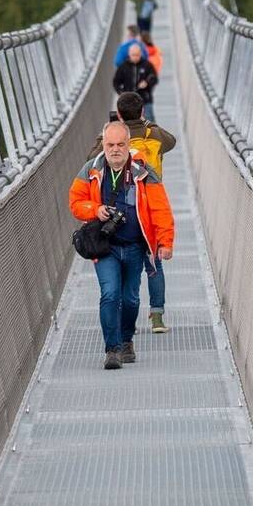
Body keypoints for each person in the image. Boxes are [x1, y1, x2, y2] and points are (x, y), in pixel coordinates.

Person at [70, 120, 174, 369]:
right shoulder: (91, 170)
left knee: (131, 299)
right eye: (110, 144)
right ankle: (112, 349)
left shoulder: (145, 172)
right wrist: (95, 209)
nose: (115, 149)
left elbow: (160, 209)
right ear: (103, 145)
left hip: (136, 246)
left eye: (120, 144)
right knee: (110, 294)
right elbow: (75, 203)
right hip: (106, 247)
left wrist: (165, 241)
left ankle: (127, 340)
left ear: (129, 144)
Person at [88, 92, 176, 334]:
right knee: (154, 264)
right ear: (142, 112)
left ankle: (126, 322)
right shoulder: (154, 135)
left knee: (125, 269)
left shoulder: (114, 141)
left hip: (122, 211)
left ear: (118, 114)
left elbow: (91, 160)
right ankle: (157, 316)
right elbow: (173, 141)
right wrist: (149, 124)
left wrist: (106, 135)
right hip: (151, 206)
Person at [113, 44, 158, 121]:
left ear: (140, 54)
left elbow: (154, 78)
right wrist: (122, 93)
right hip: (128, 103)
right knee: (130, 123)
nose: (135, 57)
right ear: (129, 54)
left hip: (145, 100)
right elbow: (116, 82)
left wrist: (147, 83)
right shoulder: (123, 67)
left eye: (137, 55)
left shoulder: (147, 65)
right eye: (133, 55)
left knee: (149, 121)